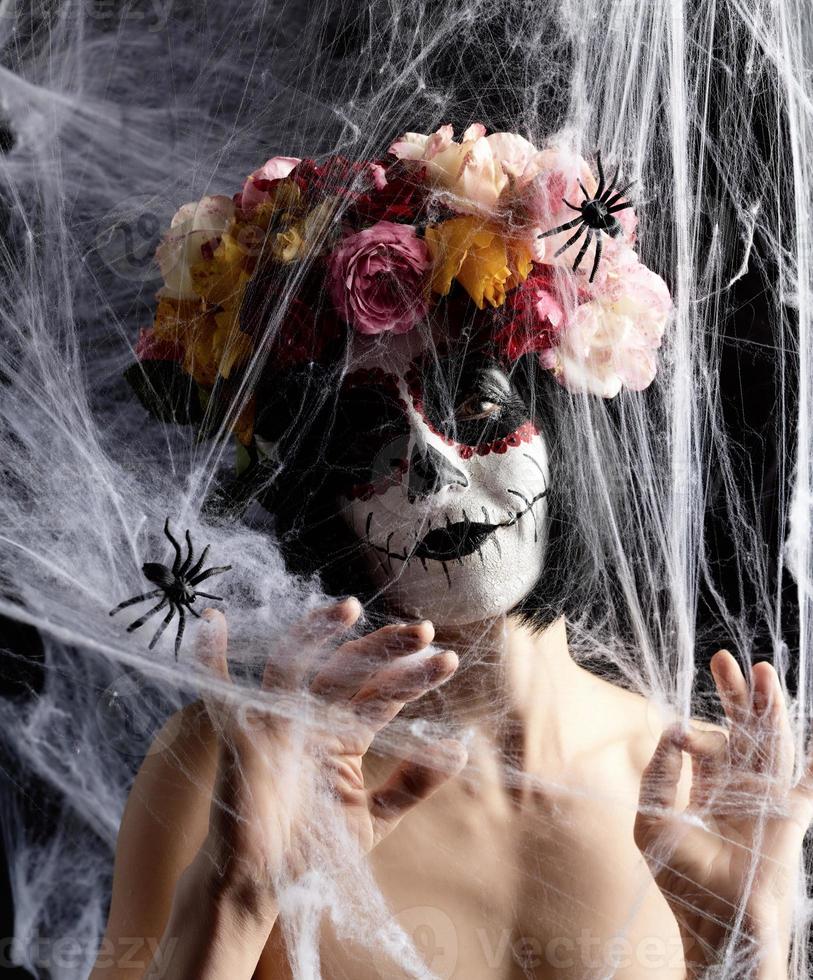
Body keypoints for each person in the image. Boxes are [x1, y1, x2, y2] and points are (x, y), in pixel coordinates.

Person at [90, 128, 813, 979]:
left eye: (474, 404)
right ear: (321, 497)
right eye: (368, 435)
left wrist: (750, 945)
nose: (433, 472)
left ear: (566, 423)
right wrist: (236, 896)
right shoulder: (236, 774)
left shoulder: (701, 798)